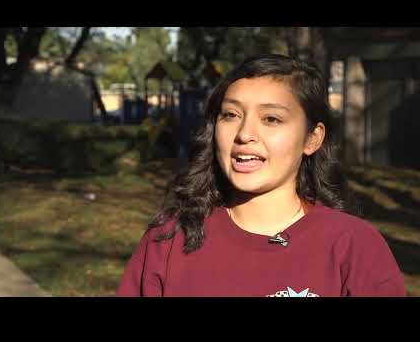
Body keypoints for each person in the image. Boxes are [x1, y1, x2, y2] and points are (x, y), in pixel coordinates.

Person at [117, 54, 406, 297]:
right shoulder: (169, 239)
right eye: (230, 115)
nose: (244, 134)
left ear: (312, 139)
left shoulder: (353, 246)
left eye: (271, 119)